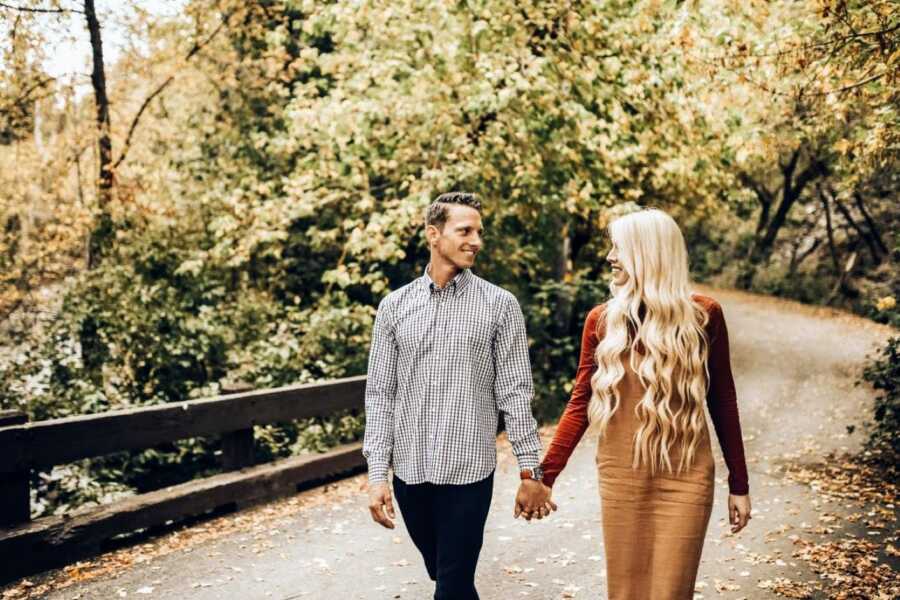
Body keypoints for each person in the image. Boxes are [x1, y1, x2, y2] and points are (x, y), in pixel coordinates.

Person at [538, 208, 752, 600]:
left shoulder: (704, 317)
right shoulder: (601, 321)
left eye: (618, 248)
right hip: (621, 476)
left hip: (686, 475)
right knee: (626, 593)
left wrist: (739, 484)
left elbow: (723, 400)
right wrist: (544, 476)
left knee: (671, 592)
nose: (610, 257)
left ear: (647, 254)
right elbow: (580, 402)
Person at [363, 192, 555, 600]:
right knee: (443, 572)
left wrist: (530, 470)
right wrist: (378, 473)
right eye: (464, 230)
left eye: (479, 232)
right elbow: (380, 393)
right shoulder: (394, 307)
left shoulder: (500, 305)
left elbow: (515, 392)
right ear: (434, 235)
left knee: (452, 584)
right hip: (411, 473)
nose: (476, 241)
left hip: (469, 471)